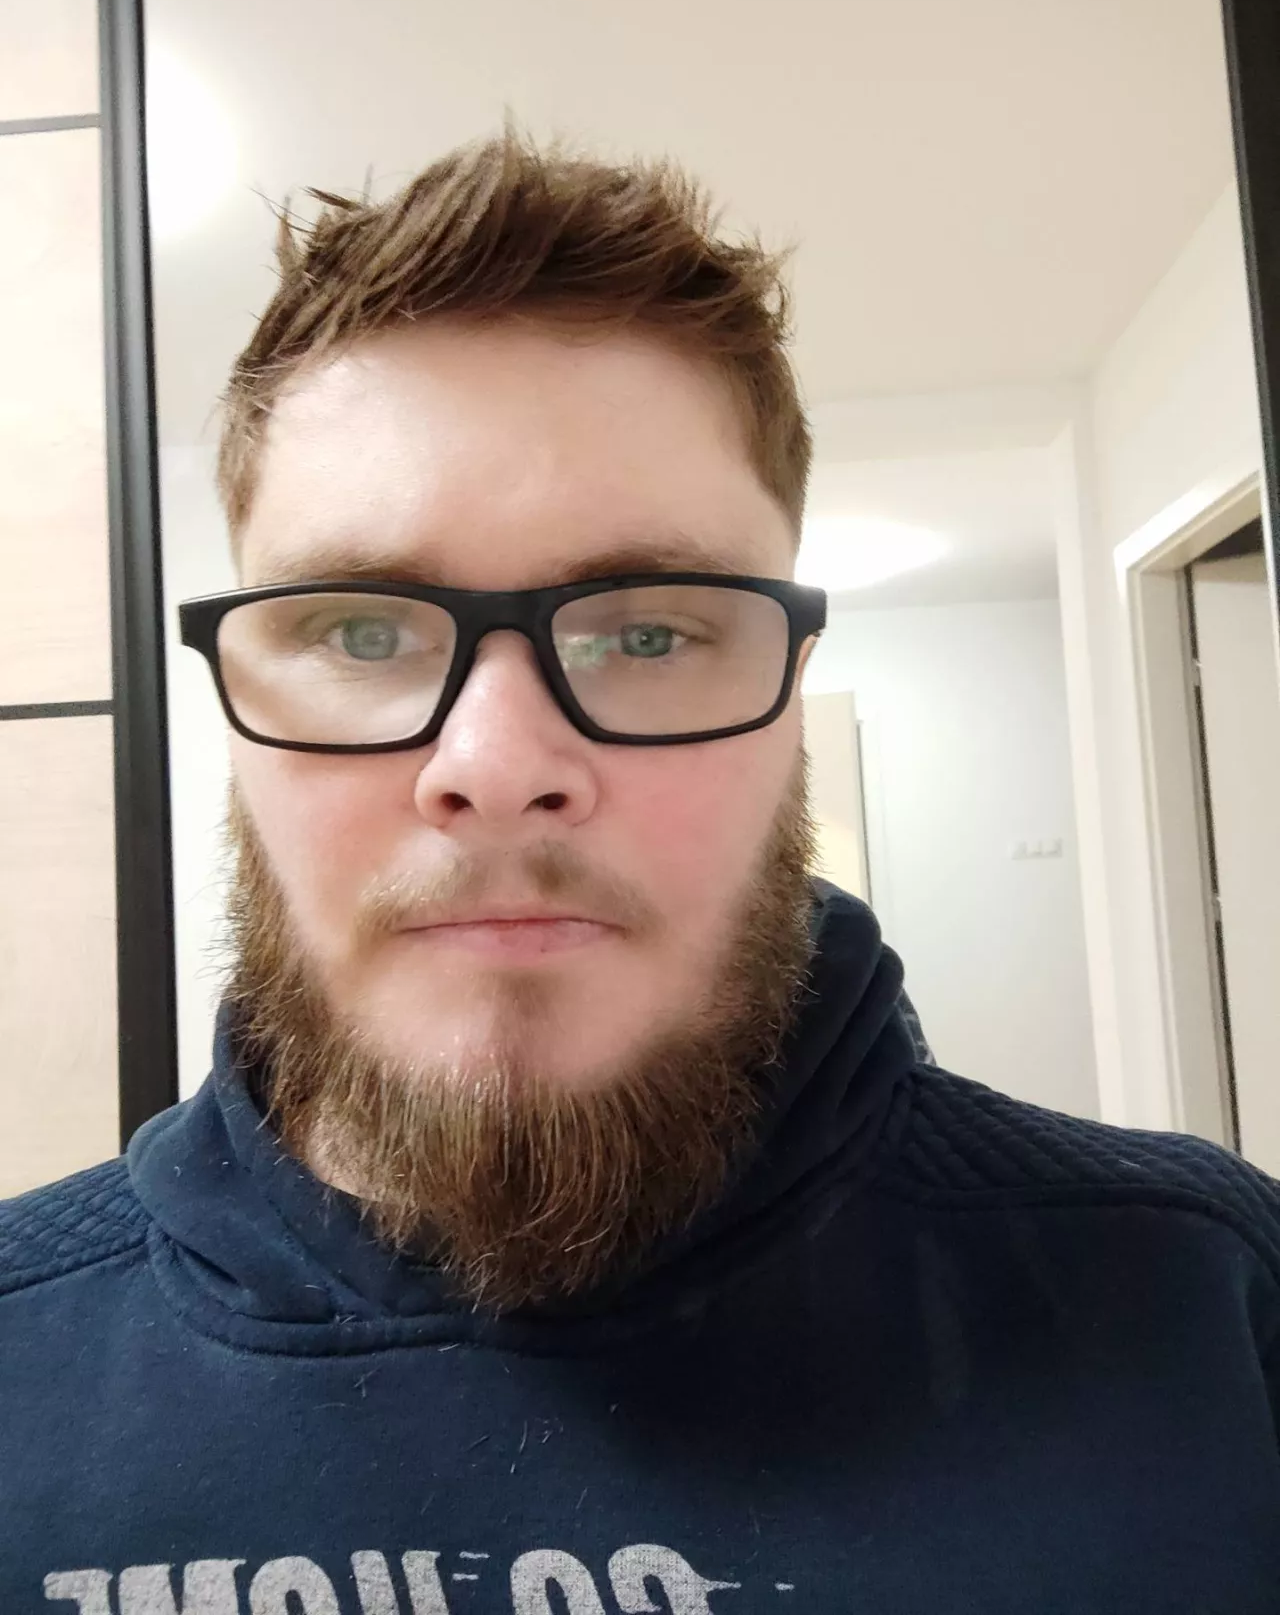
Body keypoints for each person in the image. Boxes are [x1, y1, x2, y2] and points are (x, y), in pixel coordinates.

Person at [4, 131, 1278, 1615]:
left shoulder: (1208, 1313)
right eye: (361, 631)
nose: (496, 761)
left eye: (649, 631)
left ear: (791, 690)